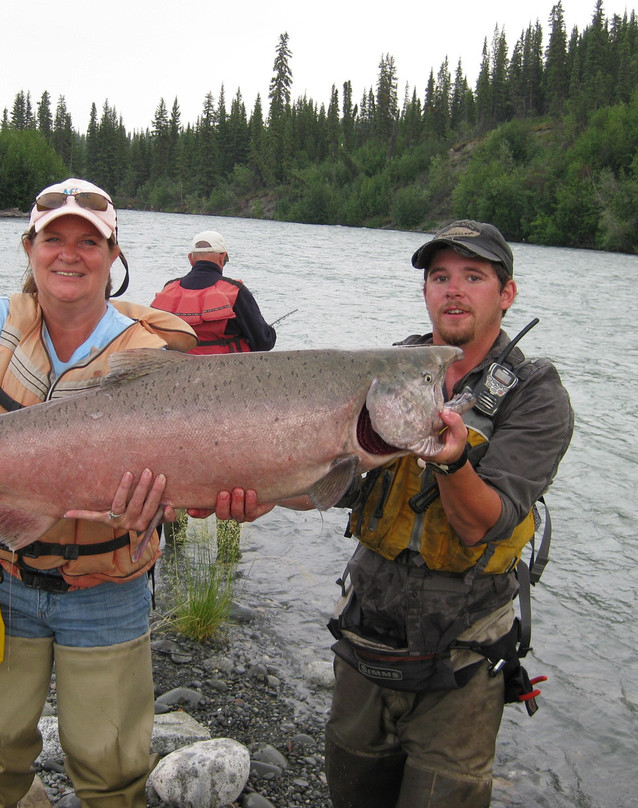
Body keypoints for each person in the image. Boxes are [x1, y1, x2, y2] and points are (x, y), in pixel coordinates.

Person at [217, 219, 574, 806]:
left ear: (506, 294)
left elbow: (484, 524)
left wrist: (455, 464)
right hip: (366, 639)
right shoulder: (396, 367)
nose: (452, 289)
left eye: (473, 276)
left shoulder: (536, 394)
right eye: (439, 277)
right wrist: (262, 494)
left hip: (463, 659)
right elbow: (340, 486)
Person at [0, 178, 198, 808]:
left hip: (107, 588)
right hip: (0, 575)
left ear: (113, 254)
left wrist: (176, 503)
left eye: (88, 241)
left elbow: (183, 467)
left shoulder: (148, 349)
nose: (69, 254)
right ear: (30, 248)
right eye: (54, 239)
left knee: (113, 770)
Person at [151, 230, 278, 561]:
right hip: (226, 407)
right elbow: (263, 342)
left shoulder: (167, 290)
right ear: (223, 258)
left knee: (174, 473)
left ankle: (175, 547)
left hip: (174, 403)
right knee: (231, 480)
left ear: (190, 259)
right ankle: (227, 556)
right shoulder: (235, 291)